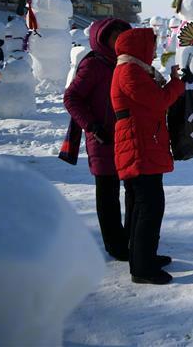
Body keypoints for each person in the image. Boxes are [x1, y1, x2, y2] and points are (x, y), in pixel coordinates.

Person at [111, 28, 187, 284]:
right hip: (138, 145)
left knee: (140, 205)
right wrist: (177, 84)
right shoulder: (129, 72)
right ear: (139, 48)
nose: (154, 51)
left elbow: (150, 99)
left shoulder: (135, 71)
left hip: (142, 142)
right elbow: (158, 101)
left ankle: (142, 257)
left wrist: (172, 80)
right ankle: (142, 268)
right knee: (149, 207)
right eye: (151, 46)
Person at [63, 18, 133, 260]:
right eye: (115, 37)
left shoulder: (126, 62)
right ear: (103, 38)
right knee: (108, 193)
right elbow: (71, 98)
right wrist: (92, 126)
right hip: (101, 137)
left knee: (134, 190)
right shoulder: (93, 64)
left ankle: (132, 236)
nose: (119, 42)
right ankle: (115, 244)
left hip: (127, 136)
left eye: (123, 37)